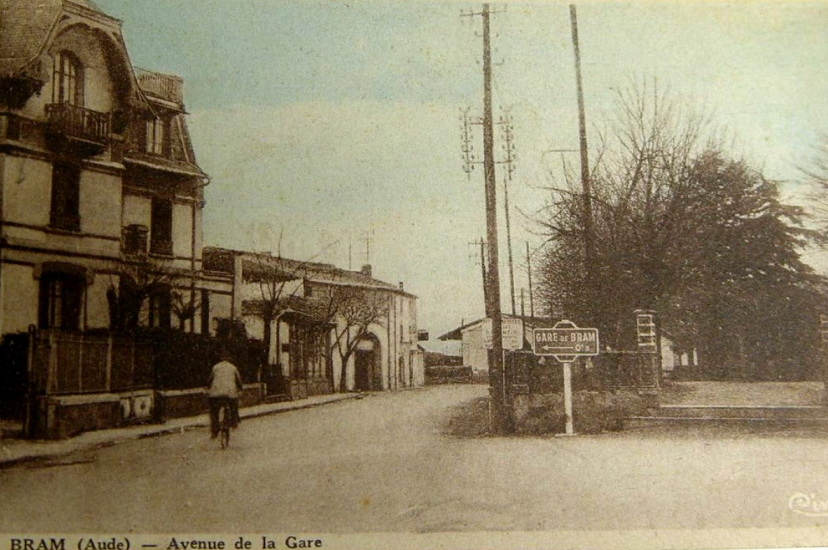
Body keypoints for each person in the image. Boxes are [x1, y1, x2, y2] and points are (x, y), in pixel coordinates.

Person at [207, 351, 243, 438]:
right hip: (230, 393)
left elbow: (209, 380)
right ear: (229, 359)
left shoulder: (215, 367)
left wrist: (208, 387)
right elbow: (239, 381)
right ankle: (234, 423)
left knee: (214, 411)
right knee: (234, 406)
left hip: (215, 394)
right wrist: (240, 388)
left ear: (221, 358)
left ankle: (214, 431)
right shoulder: (233, 368)